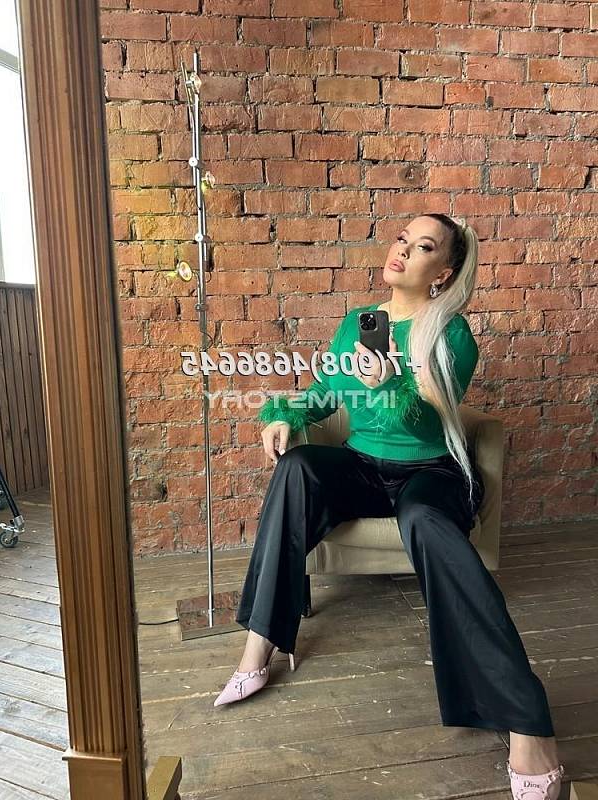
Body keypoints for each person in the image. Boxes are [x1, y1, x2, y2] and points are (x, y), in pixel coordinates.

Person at [213, 214, 565, 800]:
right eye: (403, 238)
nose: (403, 249)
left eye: (423, 246)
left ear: (442, 272)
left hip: (433, 472)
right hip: (363, 465)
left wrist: (389, 384)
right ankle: (259, 650)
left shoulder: (450, 333)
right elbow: (326, 393)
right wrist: (285, 415)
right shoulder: (358, 323)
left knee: (423, 518)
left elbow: (430, 419)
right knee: (298, 468)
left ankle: (528, 724)